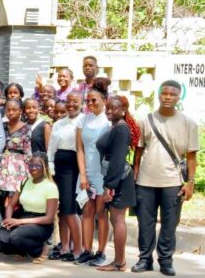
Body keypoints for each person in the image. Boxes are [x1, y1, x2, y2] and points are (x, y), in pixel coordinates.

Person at [132, 80, 199, 276]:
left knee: (170, 224)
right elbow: (138, 150)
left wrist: (191, 183)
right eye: (164, 93)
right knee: (145, 223)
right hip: (145, 181)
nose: (168, 97)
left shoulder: (188, 123)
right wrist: (135, 175)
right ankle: (144, 259)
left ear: (179, 98)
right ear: (159, 95)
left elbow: (191, 156)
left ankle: (166, 261)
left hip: (173, 182)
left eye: (172, 94)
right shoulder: (145, 120)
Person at [94, 96, 138, 272]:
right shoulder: (116, 127)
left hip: (119, 180)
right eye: (108, 108)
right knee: (115, 219)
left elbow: (118, 160)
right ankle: (119, 261)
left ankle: (119, 262)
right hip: (115, 179)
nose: (109, 111)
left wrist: (109, 186)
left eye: (114, 108)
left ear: (123, 109)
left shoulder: (121, 129)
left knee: (118, 219)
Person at [0, 154, 58, 263]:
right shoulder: (24, 182)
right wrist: (8, 220)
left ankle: (41, 250)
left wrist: (19, 222)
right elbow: (10, 205)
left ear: (45, 167)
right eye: (30, 165)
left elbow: (49, 218)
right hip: (23, 218)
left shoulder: (50, 186)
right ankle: (22, 249)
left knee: (16, 236)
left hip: (41, 224)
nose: (33, 168)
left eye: (37, 166)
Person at [75, 78, 111, 266]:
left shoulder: (109, 121)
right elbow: (79, 149)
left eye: (94, 100)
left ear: (104, 100)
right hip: (86, 173)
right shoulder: (83, 119)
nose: (89, 104)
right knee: (86, 211)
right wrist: (82, 174)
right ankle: (86, 250)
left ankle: (101, 252)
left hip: (103, 174)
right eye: (87, 100)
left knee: (101, 213)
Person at [46, 92, 84, 262]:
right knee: (62, 211)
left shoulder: (84, 121)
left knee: (70, 209)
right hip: (58, 168)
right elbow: (51, 150)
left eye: (75, 101)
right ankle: (65, 247)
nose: (71, 105)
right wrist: (51, 168)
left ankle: (78, 249)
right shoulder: (59, 124)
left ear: (81, 103)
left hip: (74, 167)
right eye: (68, 101)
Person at [0, 99, 32, 205]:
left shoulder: (26, 128)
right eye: (8, 110)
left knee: (13, 199)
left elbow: (28, 150)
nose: (11, 112)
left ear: (20, 111)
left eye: (14, 110)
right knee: (0, 197)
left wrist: (29, 171)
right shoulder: (2, 126)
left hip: (18, 166)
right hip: (2, 164)